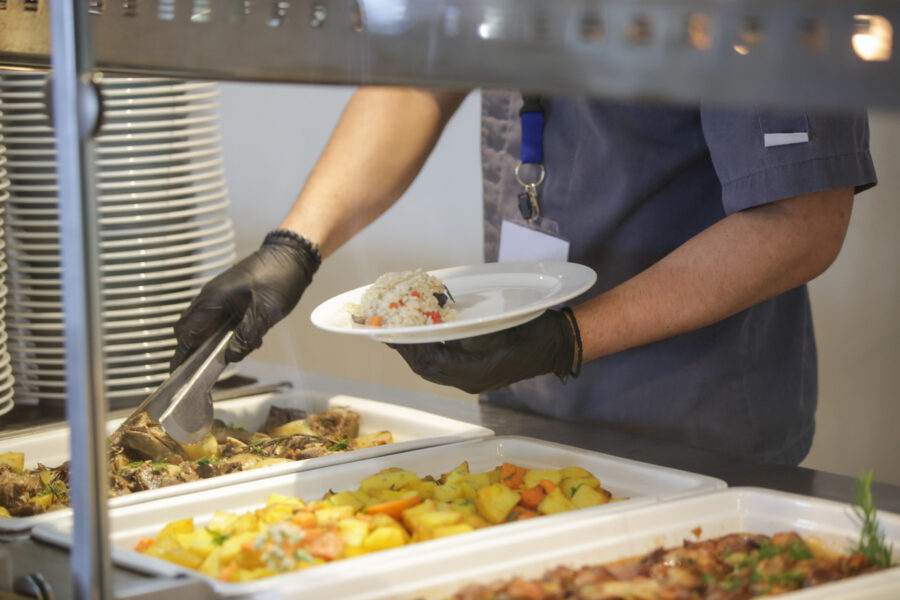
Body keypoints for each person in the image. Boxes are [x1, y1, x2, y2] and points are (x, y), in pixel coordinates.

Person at [172, 88, 876, 466]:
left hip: (694, 425)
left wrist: (570, 336)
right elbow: (423, 70)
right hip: (519, 420)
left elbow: (802, 219)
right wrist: (296, 244)